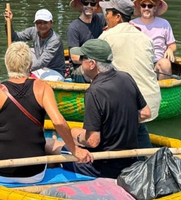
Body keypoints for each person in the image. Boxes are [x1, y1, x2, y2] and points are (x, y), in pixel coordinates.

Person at [0, 42, 92, 182]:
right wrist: (75, 150)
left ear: (7, 64)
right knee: (50, 142)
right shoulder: (43, 88)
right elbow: (58, 122)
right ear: (29, 65)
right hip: (34, 173)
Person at [64, 39, 151, 179]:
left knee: (54, 145)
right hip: (130, 162)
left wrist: (77, 137)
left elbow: (93, 141)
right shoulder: (126, 77)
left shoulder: (94, 92)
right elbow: (146, 113)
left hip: (105, 167)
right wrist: (119, 122)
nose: (80, 62)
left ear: (92, 64)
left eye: (82, 58)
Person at [97, 0, 161, 148]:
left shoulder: (106, 37)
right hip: (151, 102)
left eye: (108, 13)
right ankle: (145, 154)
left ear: (118, 17)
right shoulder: (145, 38)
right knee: (138, 128)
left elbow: (97, 71)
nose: (106, 17)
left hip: (131, 105)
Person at [5, 8, 65, 80]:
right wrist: (9, 22)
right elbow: (15, 37)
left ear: (51, 23)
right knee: (23, 51)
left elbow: (43, 61)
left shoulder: (55, 40)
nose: (42, 26)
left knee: (48, 80)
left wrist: (25, 69)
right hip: (38, 68)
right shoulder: (33, 31)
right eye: (39, 23)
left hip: (54, 71)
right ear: (35, 24)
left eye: (45, 22)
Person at [132, 0, 177, 79]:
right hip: (138, 62)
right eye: (143, 5)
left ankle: (164, 90)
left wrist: (170, 49)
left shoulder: (164, 23)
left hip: (157, 62)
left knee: (165, 63)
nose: (146, 8)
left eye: (150, 6)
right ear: (140, 7)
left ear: (155, 8)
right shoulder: (132, 24)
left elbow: (172, 44)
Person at [66, 0, 105, 82]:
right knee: (95, 72)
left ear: (96, 6)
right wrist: (93, 62)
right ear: (81, 5)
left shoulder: (100, 20)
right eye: (86, 3)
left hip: (98, 62)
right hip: (78, 68)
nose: (89, 6)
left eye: (92, 4)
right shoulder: (74, 27)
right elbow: (75, 57)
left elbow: (117, 16)